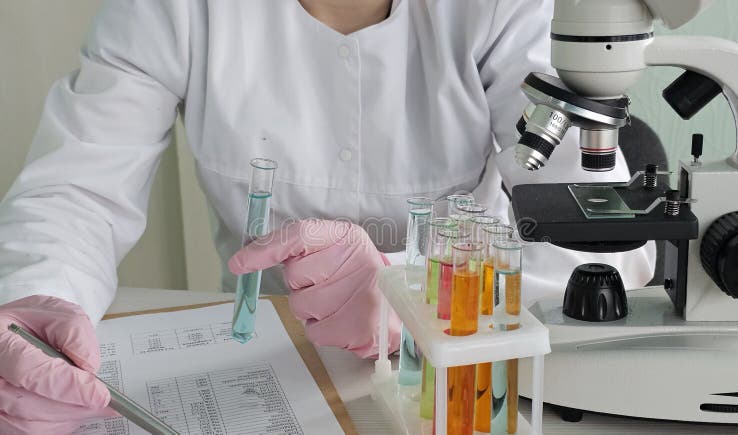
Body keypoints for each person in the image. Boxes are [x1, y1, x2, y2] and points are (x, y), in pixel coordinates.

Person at [0, 0, 654, 432]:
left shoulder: (503, 6)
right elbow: (79, 189)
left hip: (455, 383)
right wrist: (38, 299)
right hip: (259, 381)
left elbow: (602, 255)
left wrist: (409, 291)